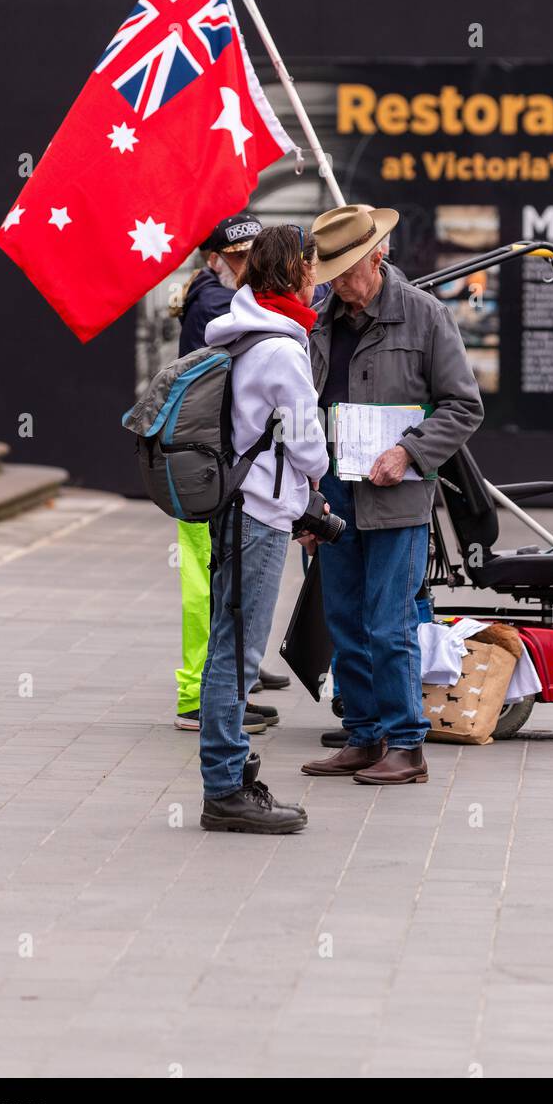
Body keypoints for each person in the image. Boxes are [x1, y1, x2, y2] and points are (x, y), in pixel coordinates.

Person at [300, 203, 484, 786]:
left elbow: (464, 405)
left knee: (389, 622)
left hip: (398, 493)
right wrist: (303, 498)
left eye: (348, 269)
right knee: (344, 620)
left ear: (378, 257)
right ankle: (364, 735)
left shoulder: (426, 316)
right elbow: (304, 410)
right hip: (333, 492)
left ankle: (407, 745)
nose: (338, 282)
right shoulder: (318, 319)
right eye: (330, 271)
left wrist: (409, 451)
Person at [199, 224, 328, 834]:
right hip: (258, 513)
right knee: (238, 652)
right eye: (310, 265)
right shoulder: (281, 347)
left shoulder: (246, 331)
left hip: (236, 508)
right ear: (292, 273)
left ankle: (231, 772)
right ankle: (225, 788)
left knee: (229, 641)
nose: (316, 275)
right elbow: (308, 445)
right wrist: (319, 478)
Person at [171, 212, 290, 736]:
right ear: (213, 259)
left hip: (216, 470)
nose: (246, 269)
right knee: (204, 584)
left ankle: (228, 675)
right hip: (206, 471)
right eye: (237, 258)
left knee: (222, 582)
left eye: (253, 258)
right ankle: (198, 693)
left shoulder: (218, 298)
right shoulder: (217, 304)